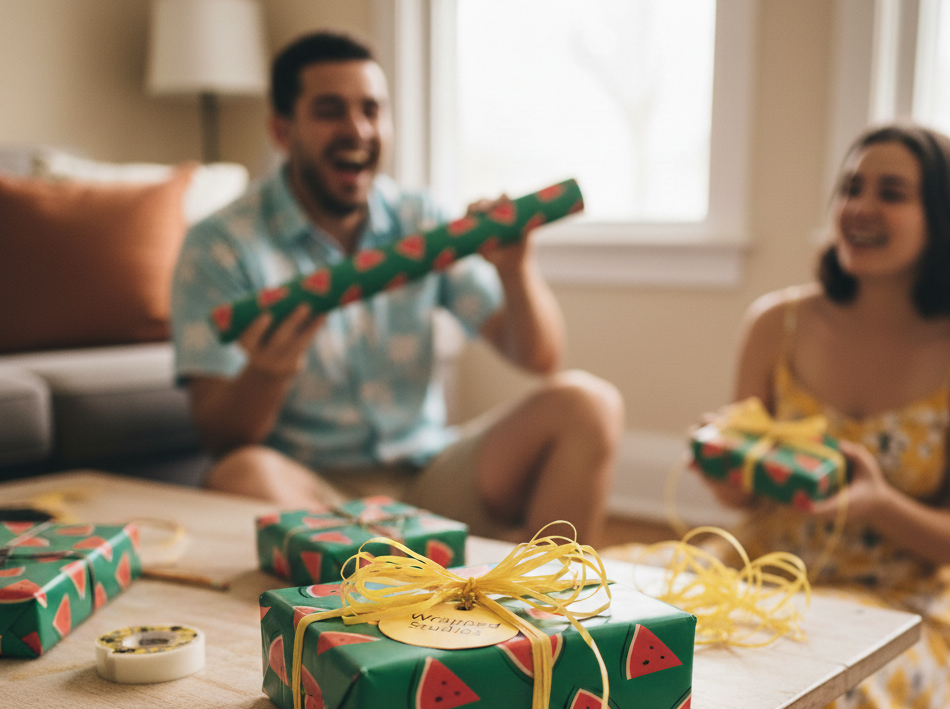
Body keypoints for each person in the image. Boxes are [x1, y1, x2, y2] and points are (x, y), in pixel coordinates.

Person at [694, 124, 950, 709]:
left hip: (897, 609)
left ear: (944, 218)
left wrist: (880, 502)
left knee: (792, 707)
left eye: (891, 192)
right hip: (759, 572)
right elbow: (742, 504)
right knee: (640, 636)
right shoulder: (774, 324)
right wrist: (731, 468)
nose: (860, 207)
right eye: (851, 187)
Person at [171, 31, 622, 544]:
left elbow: (538, 358)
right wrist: (268, 373)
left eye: (371, 109)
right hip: (315, 494)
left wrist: (514, 271)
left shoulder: (421, 219)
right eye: (329, 110)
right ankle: (395, 589)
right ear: (281, 130)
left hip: (429, 474)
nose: (357, 129)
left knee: (589, 404)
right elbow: (219, 437)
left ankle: (543, 607)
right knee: (240, 475)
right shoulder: (219, 246)